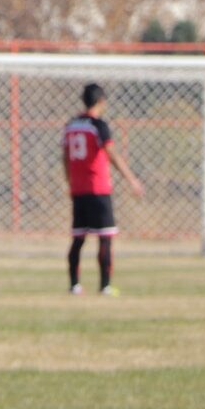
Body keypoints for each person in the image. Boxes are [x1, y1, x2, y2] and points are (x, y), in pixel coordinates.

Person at [62, 83, 143, 295]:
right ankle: (105, 286)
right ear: (101, 101)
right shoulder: (99, 125)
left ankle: (74, 285)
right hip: (98, 188)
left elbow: (65, 157)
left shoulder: (71, 125)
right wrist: (131, 179)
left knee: (78, 237)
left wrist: (70, 182)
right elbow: (112, 154)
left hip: (78, 188)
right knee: (105, 237)